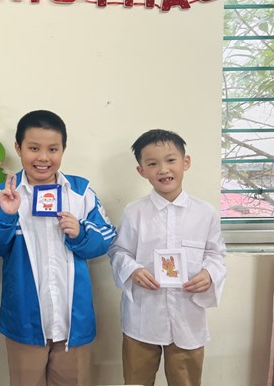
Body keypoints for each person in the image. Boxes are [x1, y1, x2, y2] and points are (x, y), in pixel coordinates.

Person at [0, 110, 116, 386]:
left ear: (63, 149)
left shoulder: (81, 193)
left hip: (73, 323)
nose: (43, 157)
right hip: (24, 323)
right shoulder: (1, 194)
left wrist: (80, 233)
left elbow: (106, 238)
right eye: (33, 148)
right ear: (18, 148)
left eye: (53, 149)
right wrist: (7, 215)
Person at [107, 129, 226, 386]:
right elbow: (118, 251)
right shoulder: (134, 212)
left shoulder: (205, 213)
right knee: (136, 381)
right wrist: (133, 270)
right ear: (141, 171)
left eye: (171, 160)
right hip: (143, 316)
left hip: (188, 315)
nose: (163, 169)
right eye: (152, 164)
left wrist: (209, 274)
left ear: (186, 162)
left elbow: (216, 254)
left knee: (186, 381)